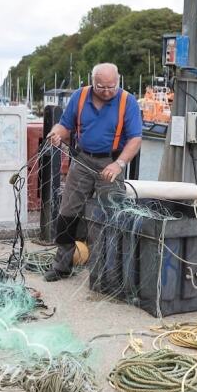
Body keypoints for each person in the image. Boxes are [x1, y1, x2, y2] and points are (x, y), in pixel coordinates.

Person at [45, 63, 142, 281]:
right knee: (67, 212)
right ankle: (61, 266)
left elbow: (135, 138)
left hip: (111, 162)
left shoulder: (128, 101)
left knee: (109, 215)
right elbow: (64, 125)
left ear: (118, 81)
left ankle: (106, 271)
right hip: (82, 160)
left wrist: (119, 164)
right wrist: (55, 134)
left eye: (111, 87)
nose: (107, 91)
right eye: (101, 87)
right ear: (92, 82)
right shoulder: (79, 97)